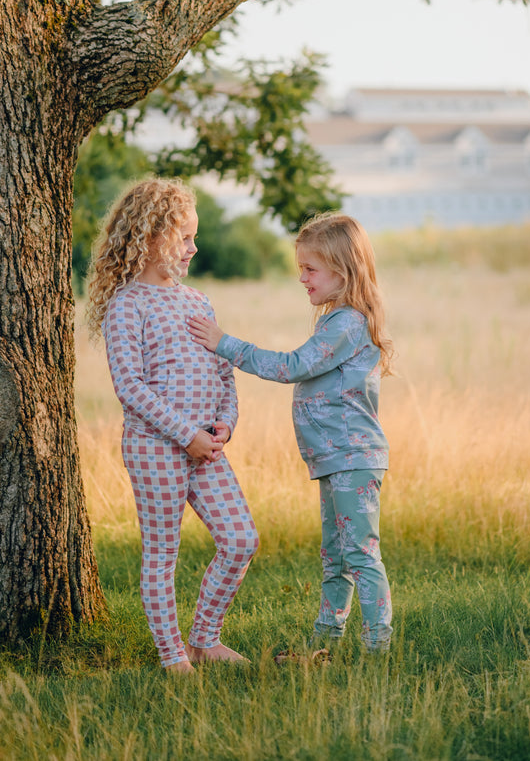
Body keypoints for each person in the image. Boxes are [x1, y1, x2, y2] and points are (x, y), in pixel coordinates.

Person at [187, 212, 394, 653]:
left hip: (353, 459)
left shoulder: (347, 324)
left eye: (310, 269)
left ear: (342, 269)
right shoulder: (335, 320)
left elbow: (292, 367)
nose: (302, 278)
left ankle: (378, 647)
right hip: (334, 458)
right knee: (335, 556)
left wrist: (225, 344)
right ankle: (328, 638)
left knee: (359, 555)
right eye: (300, 268)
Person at [86, 177, 259, 673]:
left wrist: (225, 422)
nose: (193, 247)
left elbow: (223, 371)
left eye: (194, 237)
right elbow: (130, 387)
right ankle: (172, 655)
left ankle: (205, 638)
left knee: (241, 538)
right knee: (162, 552)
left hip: (208, 448)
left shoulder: (197, 301)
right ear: (152, 235)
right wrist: (188, 435)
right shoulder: (127, 305)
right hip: (156, 447)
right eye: (184, 237)